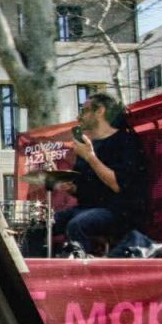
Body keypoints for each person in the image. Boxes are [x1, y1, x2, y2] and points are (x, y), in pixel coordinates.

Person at [52, 92, 148, 255]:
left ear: (100, 111)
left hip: (118, 211)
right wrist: (69, 187)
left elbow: (118, 185)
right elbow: (82, 189)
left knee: (77, 224)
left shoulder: (126, 141)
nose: (78, 117)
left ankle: (79, 268)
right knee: (43, 224)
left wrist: (90, 157)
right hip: (87, 208)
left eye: (84, 111)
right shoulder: (88, 146)